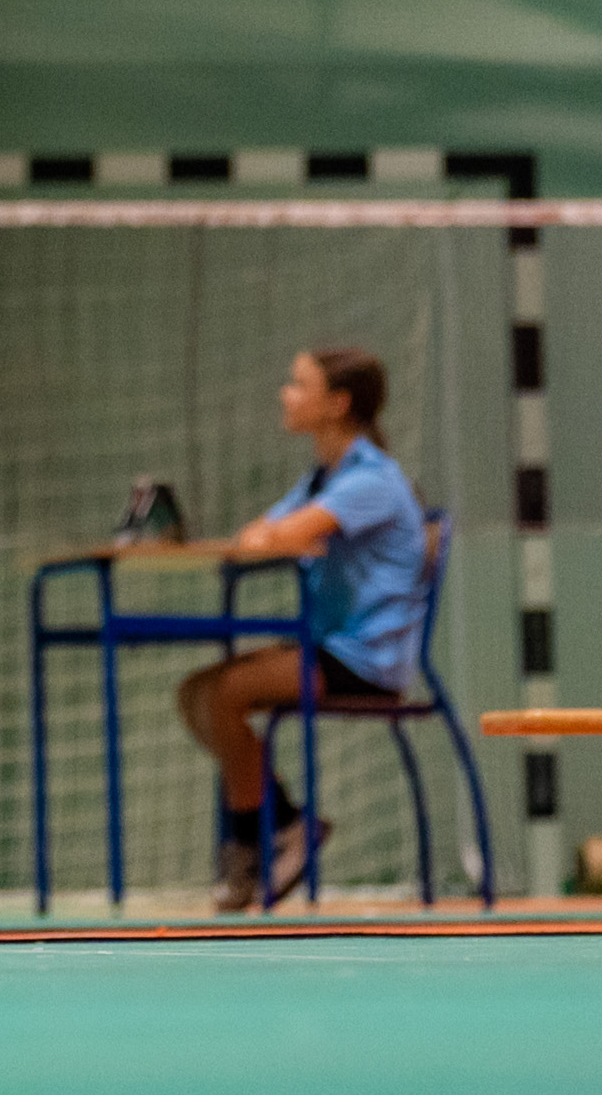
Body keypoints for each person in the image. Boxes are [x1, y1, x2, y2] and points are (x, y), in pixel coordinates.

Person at [174, 346, 430, 913]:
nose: (285, 395)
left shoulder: (373, 480)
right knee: (195, 694)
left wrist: (276, 533)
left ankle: (253, 843)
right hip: (328, 648)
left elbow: (285, 535)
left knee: (223, 693)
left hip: (367, 661)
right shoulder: (322, 477)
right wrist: (272, 533)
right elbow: (256, 533)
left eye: (299, 385)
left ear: (336, 404)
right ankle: (287, 823)